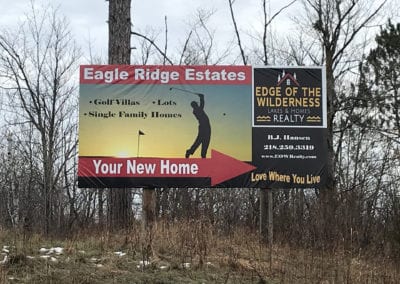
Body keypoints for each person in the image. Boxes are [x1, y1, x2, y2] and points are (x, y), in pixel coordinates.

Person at [185, 93, 211, 158]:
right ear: (195, 105)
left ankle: (202, 155)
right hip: (204, 127)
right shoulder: (197, 110)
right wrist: (201, 97)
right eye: (196, 104)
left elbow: (201, 105)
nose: (197, 104)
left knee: (205, 141)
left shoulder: (197, 110)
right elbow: (202, 105)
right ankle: (191, 152)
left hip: (206, 127)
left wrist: (201, 97)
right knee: (201, 141)